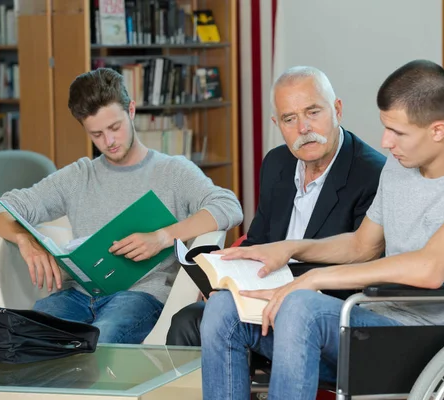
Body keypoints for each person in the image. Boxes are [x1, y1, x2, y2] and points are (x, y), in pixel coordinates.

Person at [200, 59, 444, 399]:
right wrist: (292, 249)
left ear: (437, 130)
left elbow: (430, 269)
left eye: (397, 132)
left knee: (301, 306)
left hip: (435, 340)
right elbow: (361, 246)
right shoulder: (398, 168)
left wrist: (314, 278)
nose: (385, 142)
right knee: (223, 309)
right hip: (372, 327)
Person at [0, 68, 243, 344]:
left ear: (131, 110)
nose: (109, 142)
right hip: (75, 296)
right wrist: (25, 239)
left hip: (140, 297)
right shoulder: (78, 176)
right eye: (97, 134)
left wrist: (163, 236)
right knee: (29, 337)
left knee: (100, 340)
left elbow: (228, 206)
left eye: (114, 128)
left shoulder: (173, 172)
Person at [165, 66, 386, 347]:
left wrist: (289, 291)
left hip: (322, 303)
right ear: (277, 123)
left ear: (337, 110)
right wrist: (224, 278)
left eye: (313, 112)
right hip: (262, 292)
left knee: (223, 320)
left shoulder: (372, 173)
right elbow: (258, 240)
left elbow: (363, 262)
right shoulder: (277, 163)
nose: (303, 129)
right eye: (289, 119)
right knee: (187, 321)